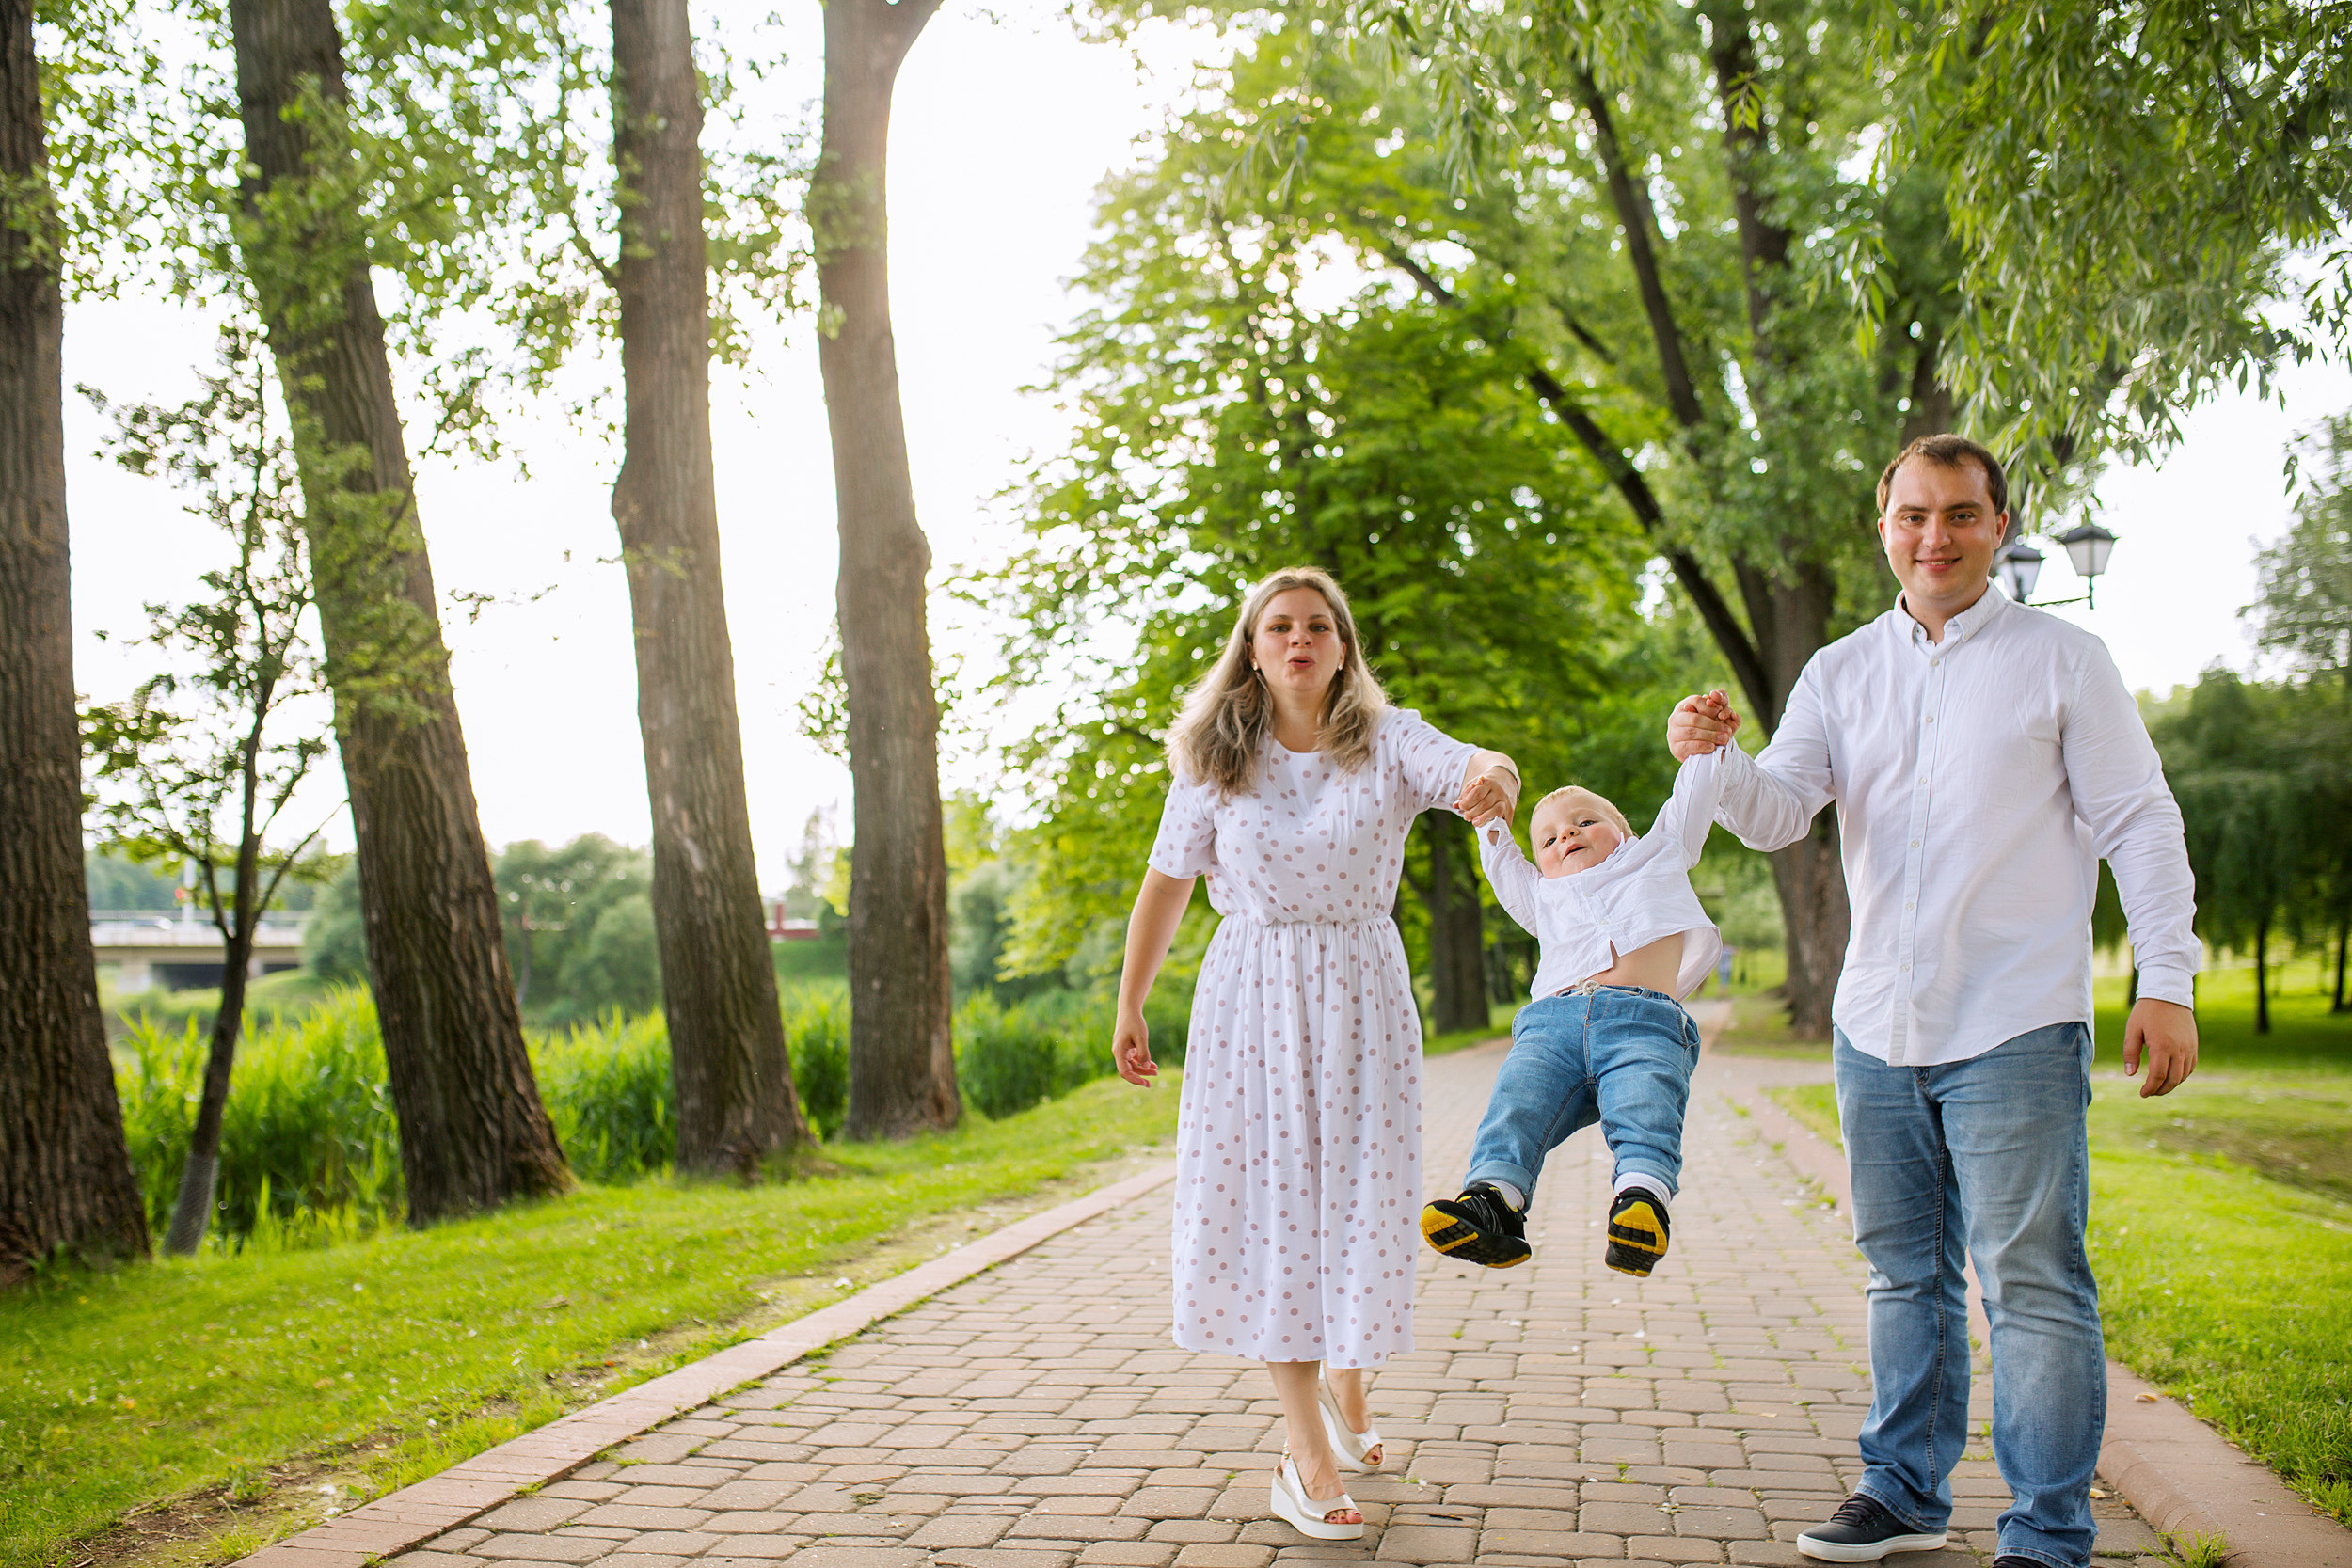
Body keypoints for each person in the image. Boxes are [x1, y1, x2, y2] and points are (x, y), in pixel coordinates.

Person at [1669, 435, 2201, 1568]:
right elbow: (1778, 811)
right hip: (1876, 1021)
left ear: (1998, 527)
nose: (1935, 536)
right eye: (1913, 515)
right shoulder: (1840, 669)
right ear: (1884, 529)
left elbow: (2140, 822)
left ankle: (2046, 1533)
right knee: (1903, 1274)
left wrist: (2166, 977)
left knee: (2031, 1284)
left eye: (1960, 513)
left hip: (2015, 1019)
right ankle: (1904, 1491)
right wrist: (1712, 758)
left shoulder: (2064, 659)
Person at [1112, 566, 1521, 1544]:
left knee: (1359, 1203)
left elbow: (1478, 762)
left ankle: (1348, 1382)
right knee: (1275, 1215)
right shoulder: (1213, 759)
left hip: (1363, 997)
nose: (1298, 639)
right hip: (1251, 1001)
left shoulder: (1387, 739)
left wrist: (1497, 779)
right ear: (1253, 650)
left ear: (1342, 648)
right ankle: (1305, 1454)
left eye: (1317, 626)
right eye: (1279, 627)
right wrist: (1130, 1000)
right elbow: (1166, 883)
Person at [1420, 724, 1736, 1280]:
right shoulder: (1541, 896)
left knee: (1645, 1103)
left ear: (1625, 832)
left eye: (1585, 822)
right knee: (1516, 1104)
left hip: (1643, 1023)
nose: (1566, 834)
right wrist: (1489, 819)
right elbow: (1501, 863)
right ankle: (1493, 1201)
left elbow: (1692, 798)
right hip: (1551, 1031)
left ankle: (1640, 1200)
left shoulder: (1659, 854)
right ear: (1540, 864)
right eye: (1548, 840)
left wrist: (1705, 744)